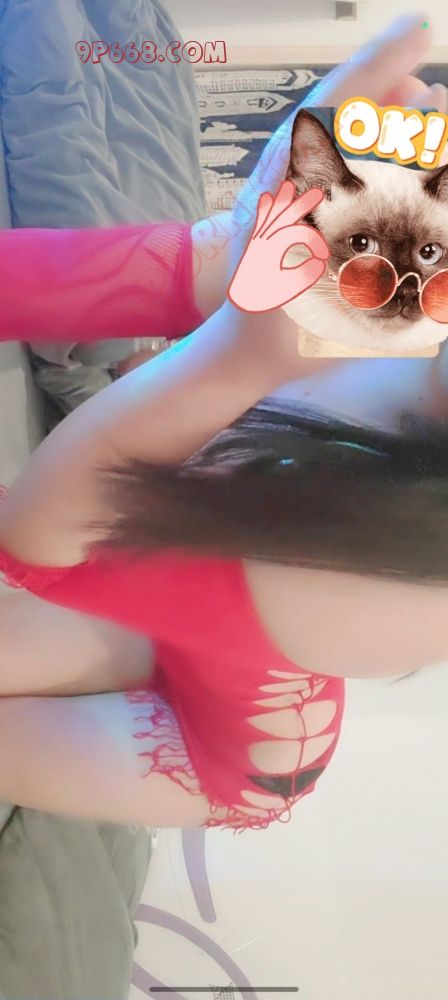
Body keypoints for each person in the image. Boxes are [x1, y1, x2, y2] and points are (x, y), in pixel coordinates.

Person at [0, 15, 447, 833]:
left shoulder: (399, 595)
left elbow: (40, 545)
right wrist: (235, 248)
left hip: (226, 751)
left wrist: (238, 355)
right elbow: (51, 281)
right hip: (191, 583)